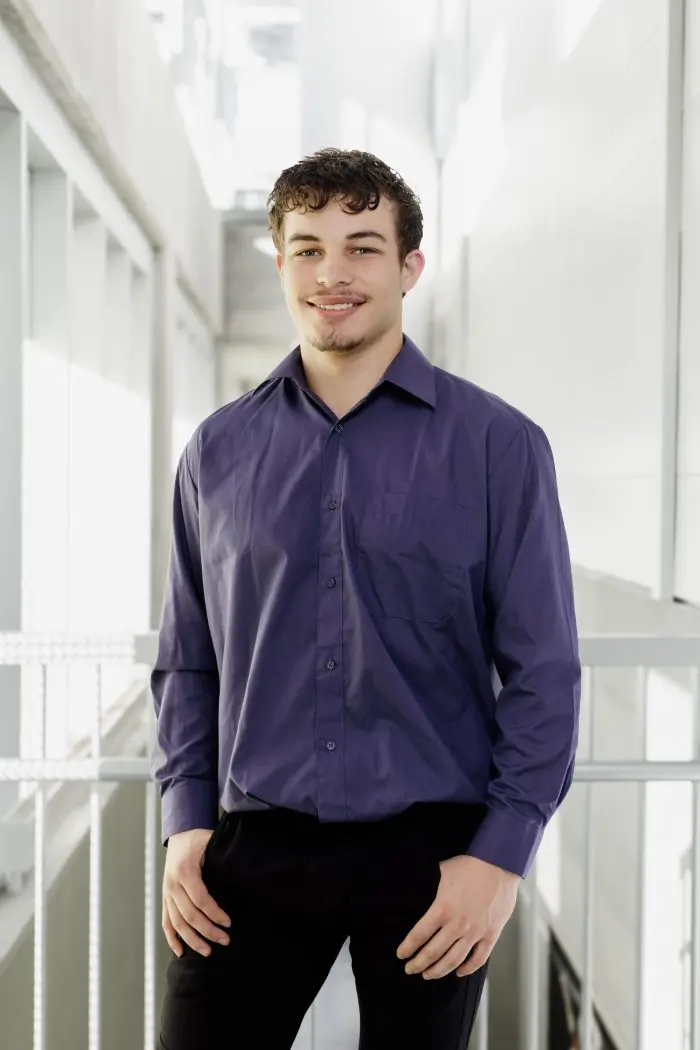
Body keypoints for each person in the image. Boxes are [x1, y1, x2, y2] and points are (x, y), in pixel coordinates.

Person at [151, 147, 581, 1050]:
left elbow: (544, 672)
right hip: (251, 845)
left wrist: (500, 859)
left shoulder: (499, 447)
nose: (332, 274)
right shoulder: (215, 453)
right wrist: (184, 823)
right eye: (308, 249)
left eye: (362, 248)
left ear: (409, 267)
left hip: (436, 855)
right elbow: (188, 659)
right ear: (281, 265)